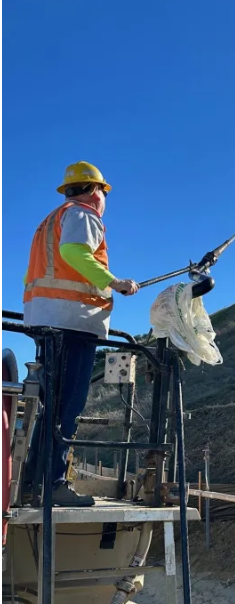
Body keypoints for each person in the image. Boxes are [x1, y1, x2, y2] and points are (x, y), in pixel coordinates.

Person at [23, 161, 139, 506]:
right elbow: (73, 252)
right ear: (94, 191)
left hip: (48, 321)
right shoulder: (84, 214)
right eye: (103, 192)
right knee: (66, 406)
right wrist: (113, 282)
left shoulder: (51, 219)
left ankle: (35, 480)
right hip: (72, 323)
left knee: (51, 405)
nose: (103, 199)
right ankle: (53, 483)